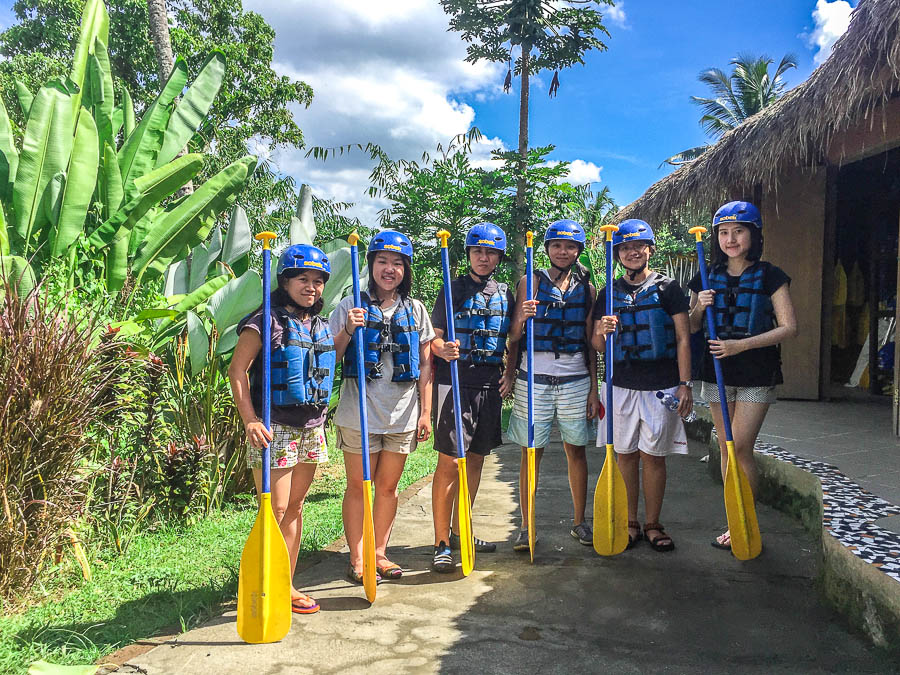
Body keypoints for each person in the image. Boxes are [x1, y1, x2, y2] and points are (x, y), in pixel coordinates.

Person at [228, 244, 336, 615]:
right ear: (285, 281)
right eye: (303, 279)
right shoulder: (265, 320)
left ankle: (286, 584)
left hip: (312, 426)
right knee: (273, 508)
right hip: (275, 427)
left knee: (295, 506)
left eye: (318, 281)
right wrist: (250, 420)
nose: (311, 287)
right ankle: (259, 583)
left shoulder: (318, 324)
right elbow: (237, 371)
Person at [687, 201, 797, 551]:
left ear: (753, 234)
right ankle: (734, 520)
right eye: (723, 233)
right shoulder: (703, 277)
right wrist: (698, 307)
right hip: (716, 371)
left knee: (742, 447)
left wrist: (742, 345)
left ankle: (747, 521)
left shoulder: (771, 276)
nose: (730, 239)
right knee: (725, 447)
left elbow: (789, 328)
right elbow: (690, 327)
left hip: (755, 372)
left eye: (738, 231)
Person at [330, 230, 435, 581]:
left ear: (406, 269)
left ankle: (379, 553)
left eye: (397, 263)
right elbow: (331, 355)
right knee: (359, 486)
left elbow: (425, 366)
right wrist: (347, 328)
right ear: (371, 265)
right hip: (358, 413)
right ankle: (357, 558)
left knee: (388, 488)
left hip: (402, 414)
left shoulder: (416, 310)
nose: (389, 269)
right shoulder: (350, 304)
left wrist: (426, 412)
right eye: (382, 262)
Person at [592, 219, 692, 552]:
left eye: (639, 246)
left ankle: (653, 522)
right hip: (620, 384)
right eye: (625, 248)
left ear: (650, 250)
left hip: (661, 386)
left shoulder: (668, 289)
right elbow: (595, 344)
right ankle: (629, 521)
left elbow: (682, 337)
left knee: (653, 457)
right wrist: (603, 331)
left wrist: (685, 384)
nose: (632, 252)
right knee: (625, 455)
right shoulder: (608, 293)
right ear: (618, 253)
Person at [429, 222, 518, 572]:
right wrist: (442, 349)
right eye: (478, 251)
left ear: (498, 257)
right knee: (450, 462)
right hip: (455, 381)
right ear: (468, 254)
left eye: (491, 252)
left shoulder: (505, 293)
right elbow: (433, 339)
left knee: (477, 459)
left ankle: (459, 530)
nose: (484, 258)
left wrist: (509, 374)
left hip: (489, 385)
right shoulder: (452, 289)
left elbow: (512, 342)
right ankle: (440, 542)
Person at [507, 219, 599, 550]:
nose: (563, 251)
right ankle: (526, 526)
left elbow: (591, 343)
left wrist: (594, 388)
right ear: (547, 249)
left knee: (576, 450)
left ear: (578, 251)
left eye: (570, 246)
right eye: (557, 245)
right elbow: (513, 337)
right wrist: (523, 316)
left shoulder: (587, 289)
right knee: (531, 453)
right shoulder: (529, 282)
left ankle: (579, 521)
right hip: (534, 380)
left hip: (575, 379)